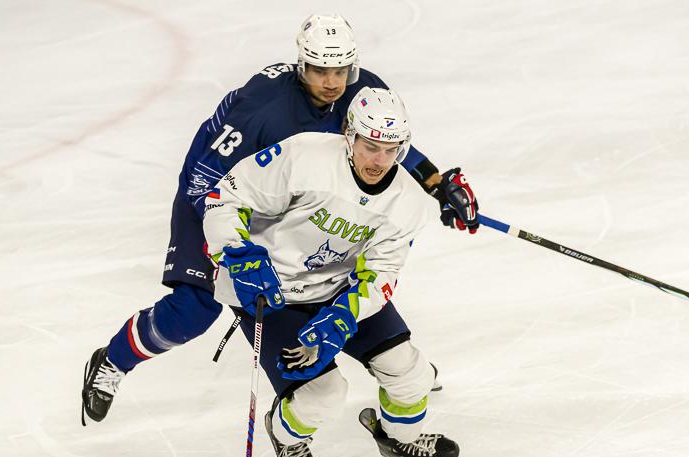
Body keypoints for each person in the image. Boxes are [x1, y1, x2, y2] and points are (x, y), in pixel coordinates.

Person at [81, 14, 479, 425]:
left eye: (341, 69)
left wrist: (435, 183)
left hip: (283, 202)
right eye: (321, 70)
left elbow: (379, 141)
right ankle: (114, 361)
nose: (332, 82)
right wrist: (233, 248)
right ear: (301, 64)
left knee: (352, 270)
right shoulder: (263, 109)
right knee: (194, 309)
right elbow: (206, 182)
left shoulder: (363, 90)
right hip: (219, 195)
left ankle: (397, 367)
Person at [204, 87, 466, 457]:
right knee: (322, 396)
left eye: (391, 149)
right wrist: (236, 251)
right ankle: (285, 432)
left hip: (338, 291)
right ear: (350, 135)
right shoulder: (305, 157)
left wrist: (345, 314)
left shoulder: (409, 203)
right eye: (370, 146)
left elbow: (381, 272)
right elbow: (227, 196)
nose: (380, 160)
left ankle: (399, 439)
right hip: (271, 292)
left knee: (409, 374)